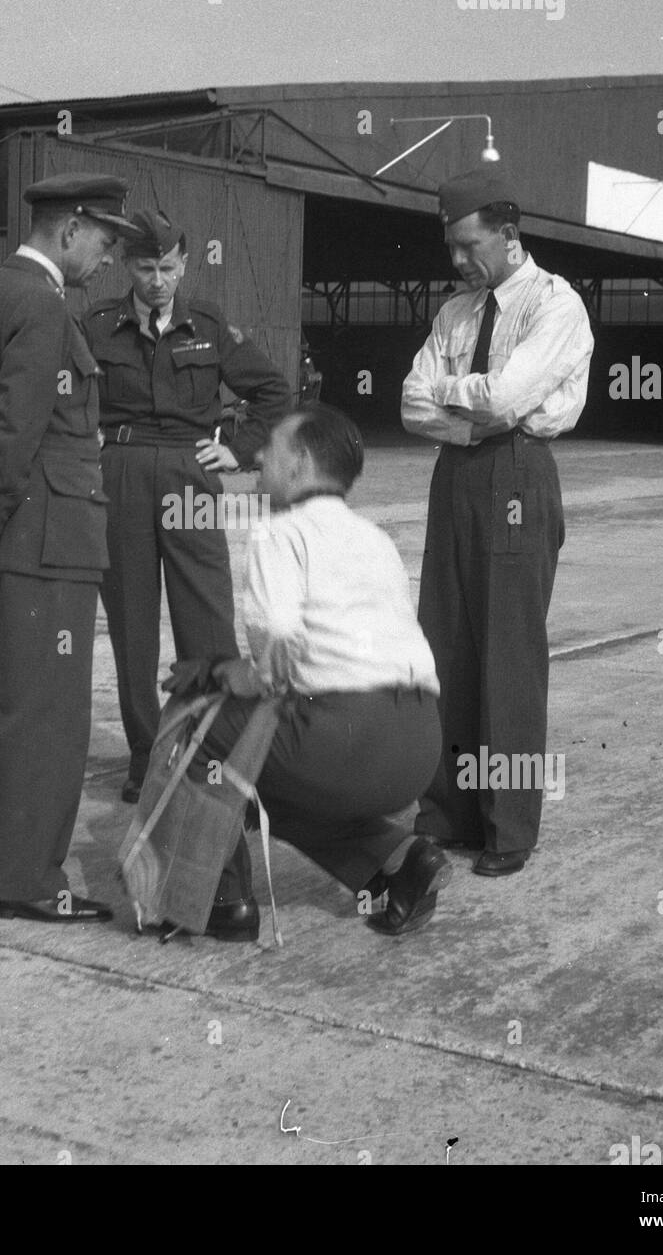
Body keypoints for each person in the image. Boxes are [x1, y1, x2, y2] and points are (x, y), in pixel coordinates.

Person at [0, 173, 139, 924]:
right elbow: (15, 434)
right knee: (46, 711)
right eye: (107, 241)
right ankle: (25, 881)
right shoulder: (46, 306)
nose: (109, 258)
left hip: (0, 537)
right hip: (45, 540)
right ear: (72, 227)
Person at [187, 403, 451, 941]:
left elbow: (276, 636)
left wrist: (236, 675)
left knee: (205, 732)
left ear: (300, 463)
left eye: (271, 450)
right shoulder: (374, 538)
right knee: (273, 793)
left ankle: (223, 902)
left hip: (348, 741)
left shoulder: (278, 531)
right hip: (420, 746)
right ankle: (399, 861)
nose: (258, 458)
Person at [401, 169, 593, 877]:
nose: (457, 261)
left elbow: (511, 400)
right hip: (456, 476)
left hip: (518, 471)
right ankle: (446, 813)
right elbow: (408, 404)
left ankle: (508, 827)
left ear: (509, 237)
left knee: (509, 654)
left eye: (468, 245)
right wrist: (469, 407)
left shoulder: (555, 305)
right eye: (450, 247)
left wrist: (456, 397)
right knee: (446, 642)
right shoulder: (454, 313)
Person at [83, 210, 290, 804]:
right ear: (127, 266)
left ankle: (212, 749)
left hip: (188, 476)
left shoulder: (210, 325)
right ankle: (147, 755)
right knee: (131, 624)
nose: (157, 280)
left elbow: (272, 391)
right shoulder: (98, 325)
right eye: (145, 268)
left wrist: (240, 450)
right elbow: (65, 391)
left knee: (206, 616)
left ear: (185, 264)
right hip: (119, 473)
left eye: (168, 267)